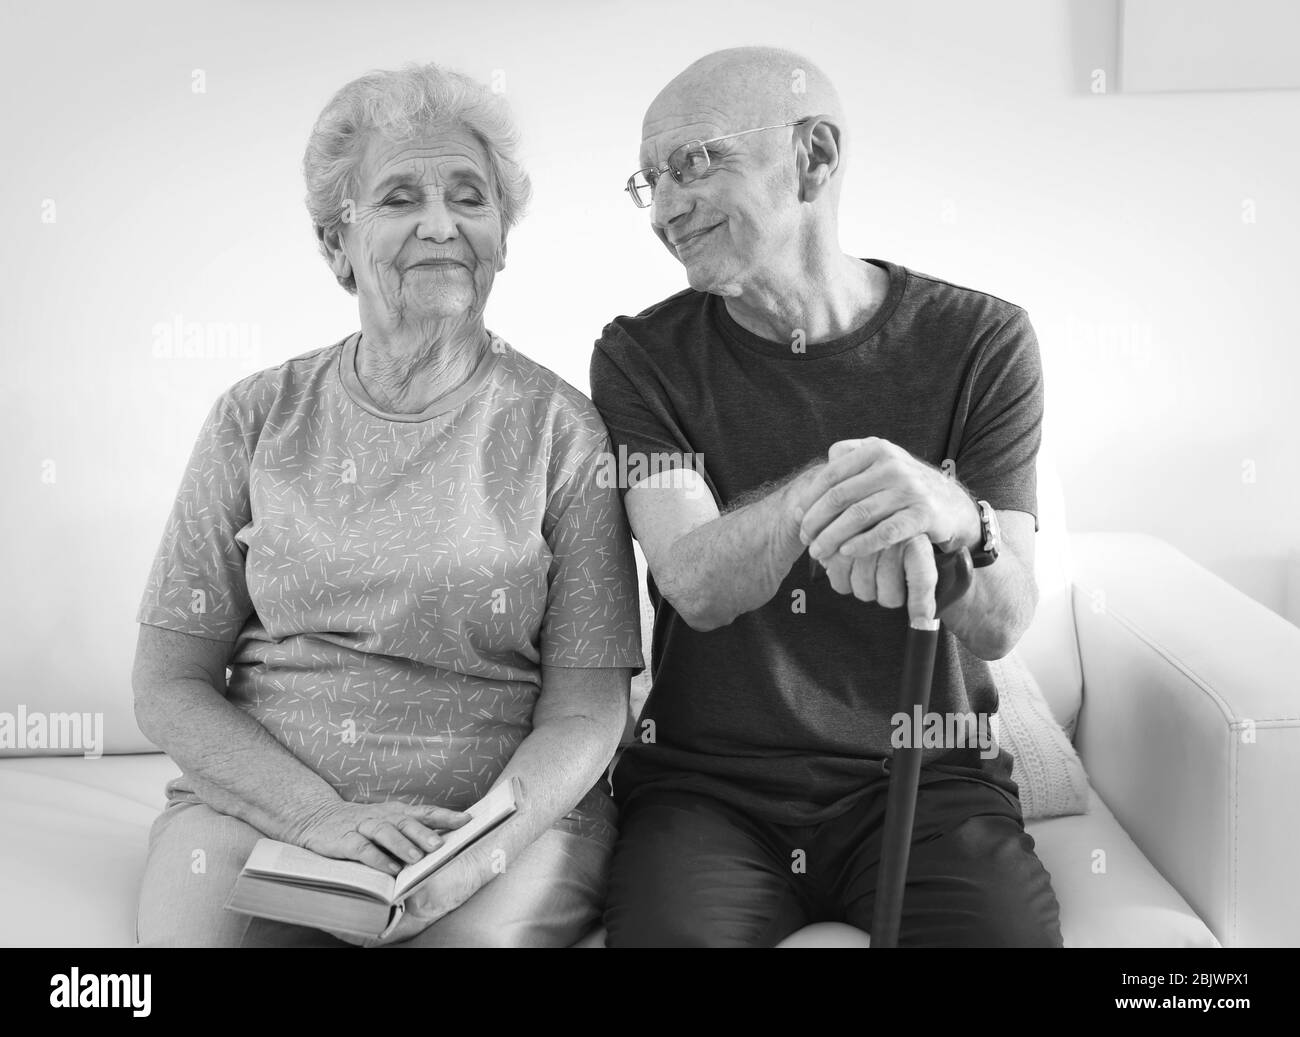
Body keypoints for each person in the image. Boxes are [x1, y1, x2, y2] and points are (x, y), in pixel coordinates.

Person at [132, 61, 643, 948]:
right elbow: (168, 682)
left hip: (492, 824)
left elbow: (588, 709)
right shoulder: (255, 415)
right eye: (401, 197)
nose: (441, 224)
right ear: (338, 242)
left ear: (501, 236)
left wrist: (487, 845)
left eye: (469, 198)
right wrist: (314, 815)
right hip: (266, 807)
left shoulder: (565, 430)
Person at [591, 46, 1063, 947]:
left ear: (814, 156)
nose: (665, 209)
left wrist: (956, 512)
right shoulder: (640, 357)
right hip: (707, 790)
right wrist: (841, 481)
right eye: (648, 181)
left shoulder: (983, 341)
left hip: (926, 779)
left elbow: (1002, 624)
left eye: (696, 163)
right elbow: (694, 580)